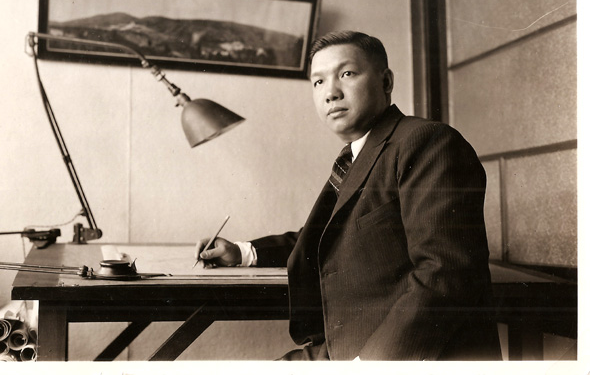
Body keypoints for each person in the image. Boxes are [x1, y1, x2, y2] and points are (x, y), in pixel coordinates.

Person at [195, 31, 502, 361]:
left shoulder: (426, 142)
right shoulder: (360, 154)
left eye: (347, 74)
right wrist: (243, 252)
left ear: (386, 82)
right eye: (318, 82)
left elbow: (445, 274)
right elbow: (330, 238)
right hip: (342, 347)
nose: (330, 93)